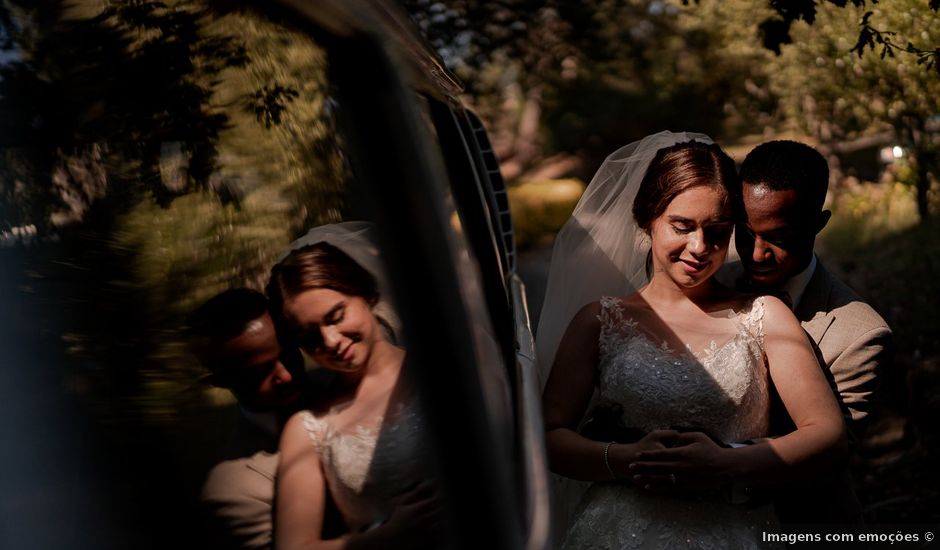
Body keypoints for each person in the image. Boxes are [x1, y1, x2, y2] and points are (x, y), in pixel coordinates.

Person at [538, 131, 848, 549]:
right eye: (682, 226)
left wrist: (726, 463)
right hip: (618, 530)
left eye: (717, 231)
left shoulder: (763, 315)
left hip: (733, 529)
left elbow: (826, 432)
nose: (700, 247)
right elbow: (549, 435)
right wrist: (626, 460)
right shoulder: (600, 320)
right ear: (648, 218)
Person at [725, 140, 893, 523]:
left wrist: (710, 458)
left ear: (818, 224)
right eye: (746, 233)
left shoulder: (860, 335)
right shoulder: (711, 285)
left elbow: (821, 463)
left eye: (779, 238)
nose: (756, 254)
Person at [268, 235, 440, 550]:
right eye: (309, 336)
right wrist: (388, 536)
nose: (330, 340)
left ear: (365, 294)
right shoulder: (308, 428)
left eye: (336, 316)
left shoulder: (443, 363)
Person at [189, 288, 321, 550]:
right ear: (221, 381)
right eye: (259, 371)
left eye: (287, 355)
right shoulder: (233, 492)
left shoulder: (347, 382)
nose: (285, 376)